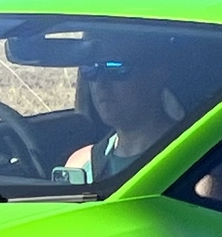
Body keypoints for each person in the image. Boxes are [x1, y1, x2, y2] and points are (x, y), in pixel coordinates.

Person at [56, 56, 184, 186]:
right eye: (90, 69)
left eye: (116, 68)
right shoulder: (81, 166)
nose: (100, 83)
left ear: (158, 72)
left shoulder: (190, 162)